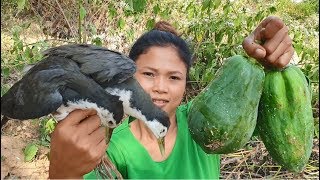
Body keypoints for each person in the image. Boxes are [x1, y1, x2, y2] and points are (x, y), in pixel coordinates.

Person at [48, 16, 294, 179]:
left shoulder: (205, 124)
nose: (160, 87)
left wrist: (264, 64)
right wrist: (62, 172)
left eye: (174, 77)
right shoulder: (112, 149)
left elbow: (247, 100)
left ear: (186, 83)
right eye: (148, 74)